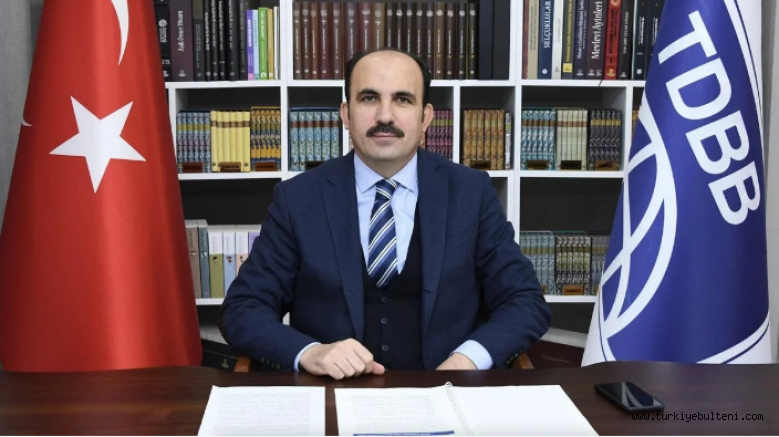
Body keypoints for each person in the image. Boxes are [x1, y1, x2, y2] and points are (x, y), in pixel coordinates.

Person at [218, 48, 551, 380]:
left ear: (426, 117)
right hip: (331, 396)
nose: (385, 116)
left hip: (446, 392)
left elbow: (524, 300)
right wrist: (311, 353)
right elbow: (242, 308)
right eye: (369, 98)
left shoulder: (471, 194)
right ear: (346, 114)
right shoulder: (298, 198)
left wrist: (468, 359)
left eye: (403, 99)